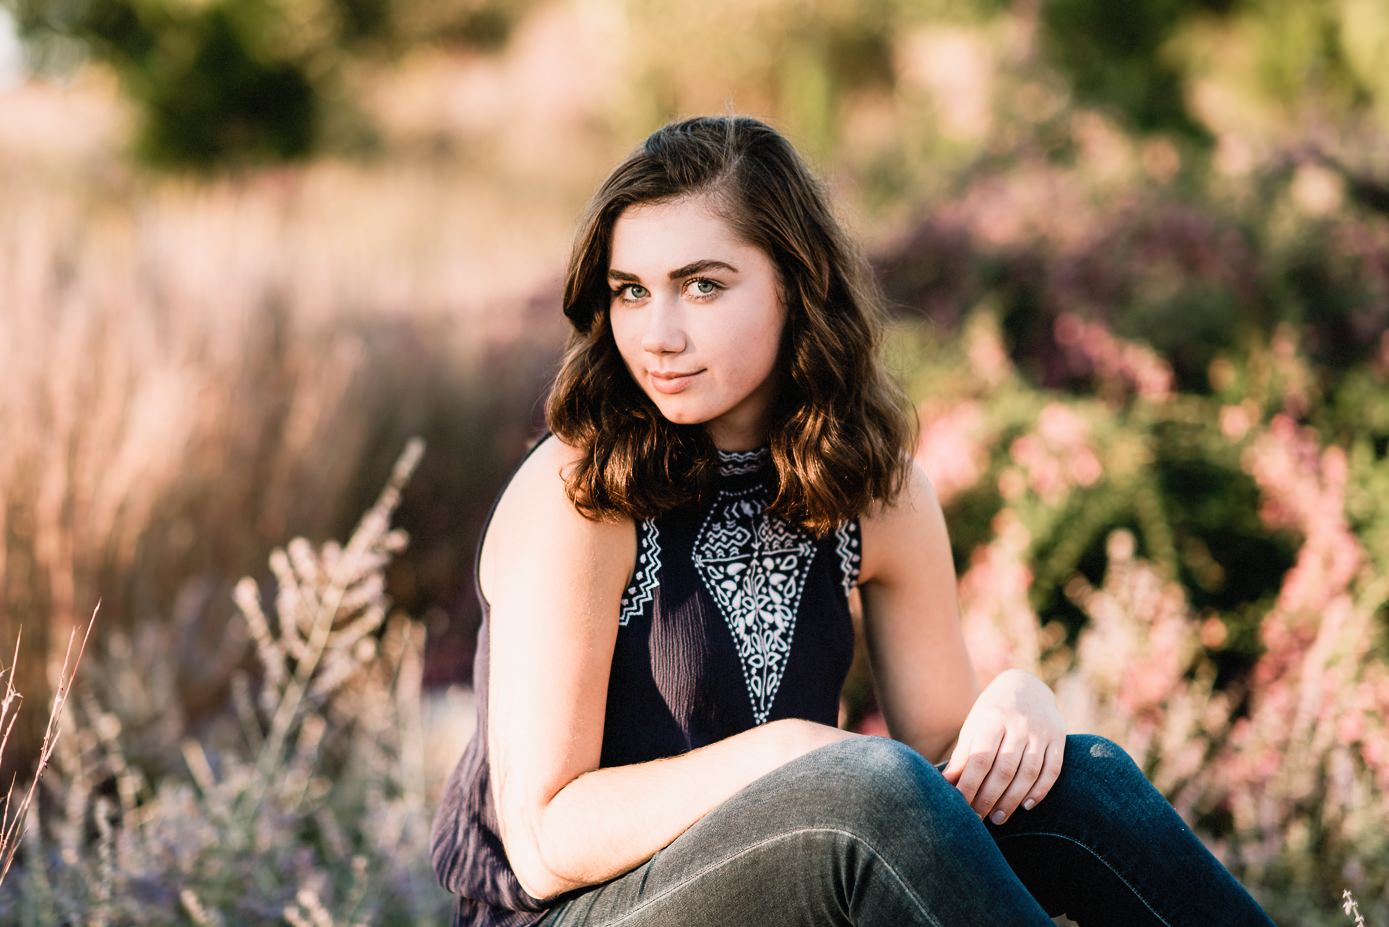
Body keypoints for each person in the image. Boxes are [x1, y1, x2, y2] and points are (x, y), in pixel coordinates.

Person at [430, 115, 1276, 926]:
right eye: (630, 291)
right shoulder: (581, 488)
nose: (657, 333)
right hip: (581, 913)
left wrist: (1019, 702)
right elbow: (544, 842)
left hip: (796, 871)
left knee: (1078, 781)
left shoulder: (876, 489)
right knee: (859, 793)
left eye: (701, 285)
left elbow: (943, 766)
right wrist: (785, 755)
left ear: (797, 287)